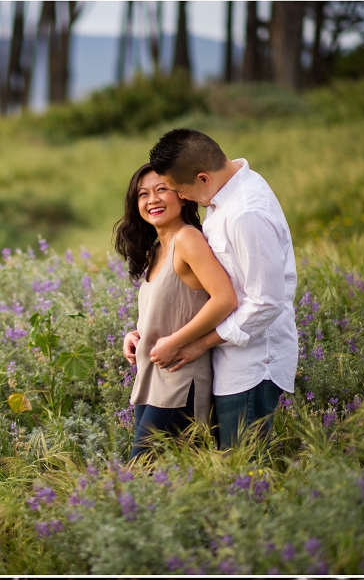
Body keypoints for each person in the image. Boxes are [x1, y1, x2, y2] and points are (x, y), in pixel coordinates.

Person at [139, 128, 299, 451]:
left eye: (179, 190)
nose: (180, 198)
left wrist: (200, 343)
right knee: (231, 472)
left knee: (247, 474)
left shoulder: (246, 213)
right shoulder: (222, 199)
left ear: (203, 179)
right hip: (228, 362)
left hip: (253, 365)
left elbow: (266, 303)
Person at [115, 165, 237, 459]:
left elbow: (225, 299)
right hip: (151, 381)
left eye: (161, 190)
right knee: (166, 484)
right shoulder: (156, 250)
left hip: (179, 382)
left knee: (140, 476)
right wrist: (135, 335)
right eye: (143, 194)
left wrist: (176, 342)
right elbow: (172, 309)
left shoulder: (187, 239)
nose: (152, 200)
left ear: (182, 196)